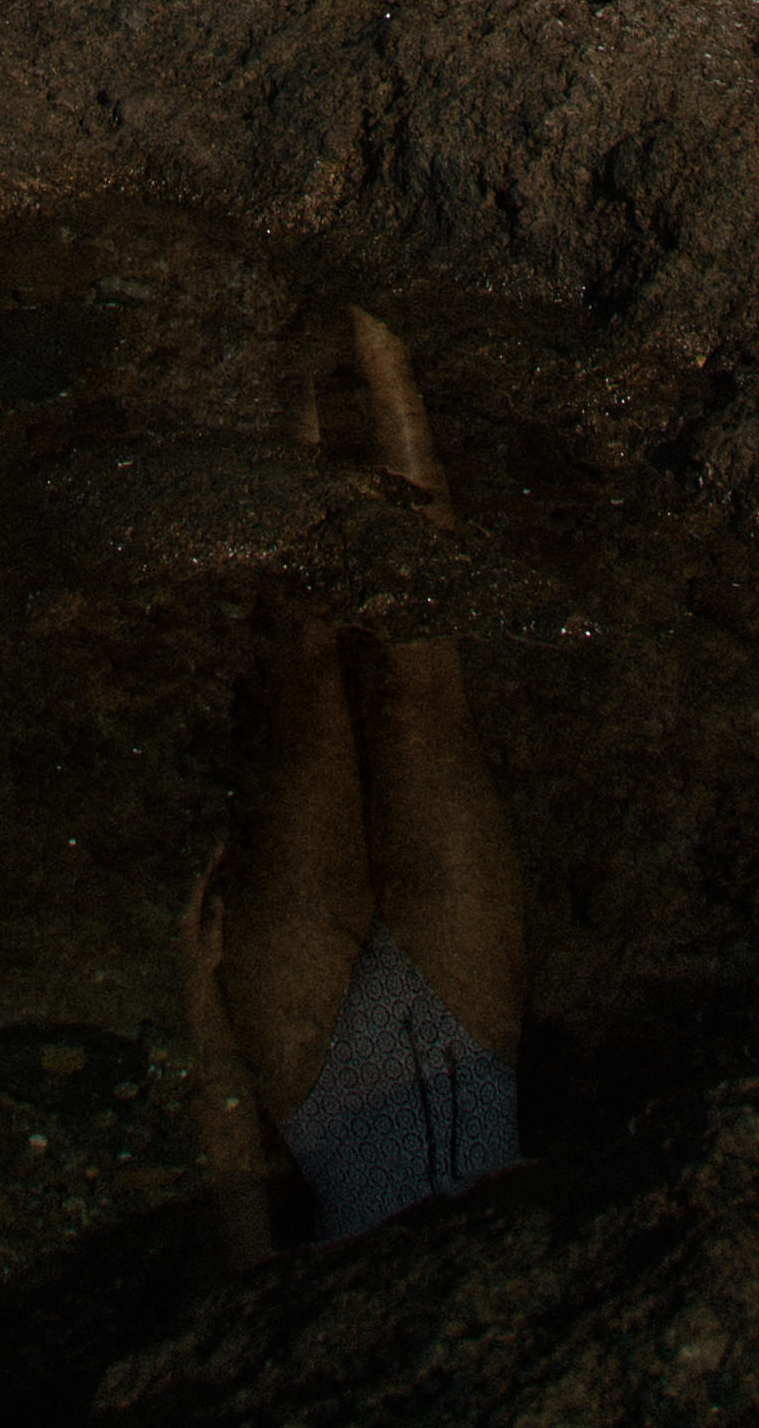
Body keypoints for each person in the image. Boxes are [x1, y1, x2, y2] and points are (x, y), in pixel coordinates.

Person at [182, 312, 527, 1262]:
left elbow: (243, 1219)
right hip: (471, 1058)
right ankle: (383, 349)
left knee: (305, 690)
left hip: (312, 1084)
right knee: (423, 685)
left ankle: (289, 369)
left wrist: (203, 1015)